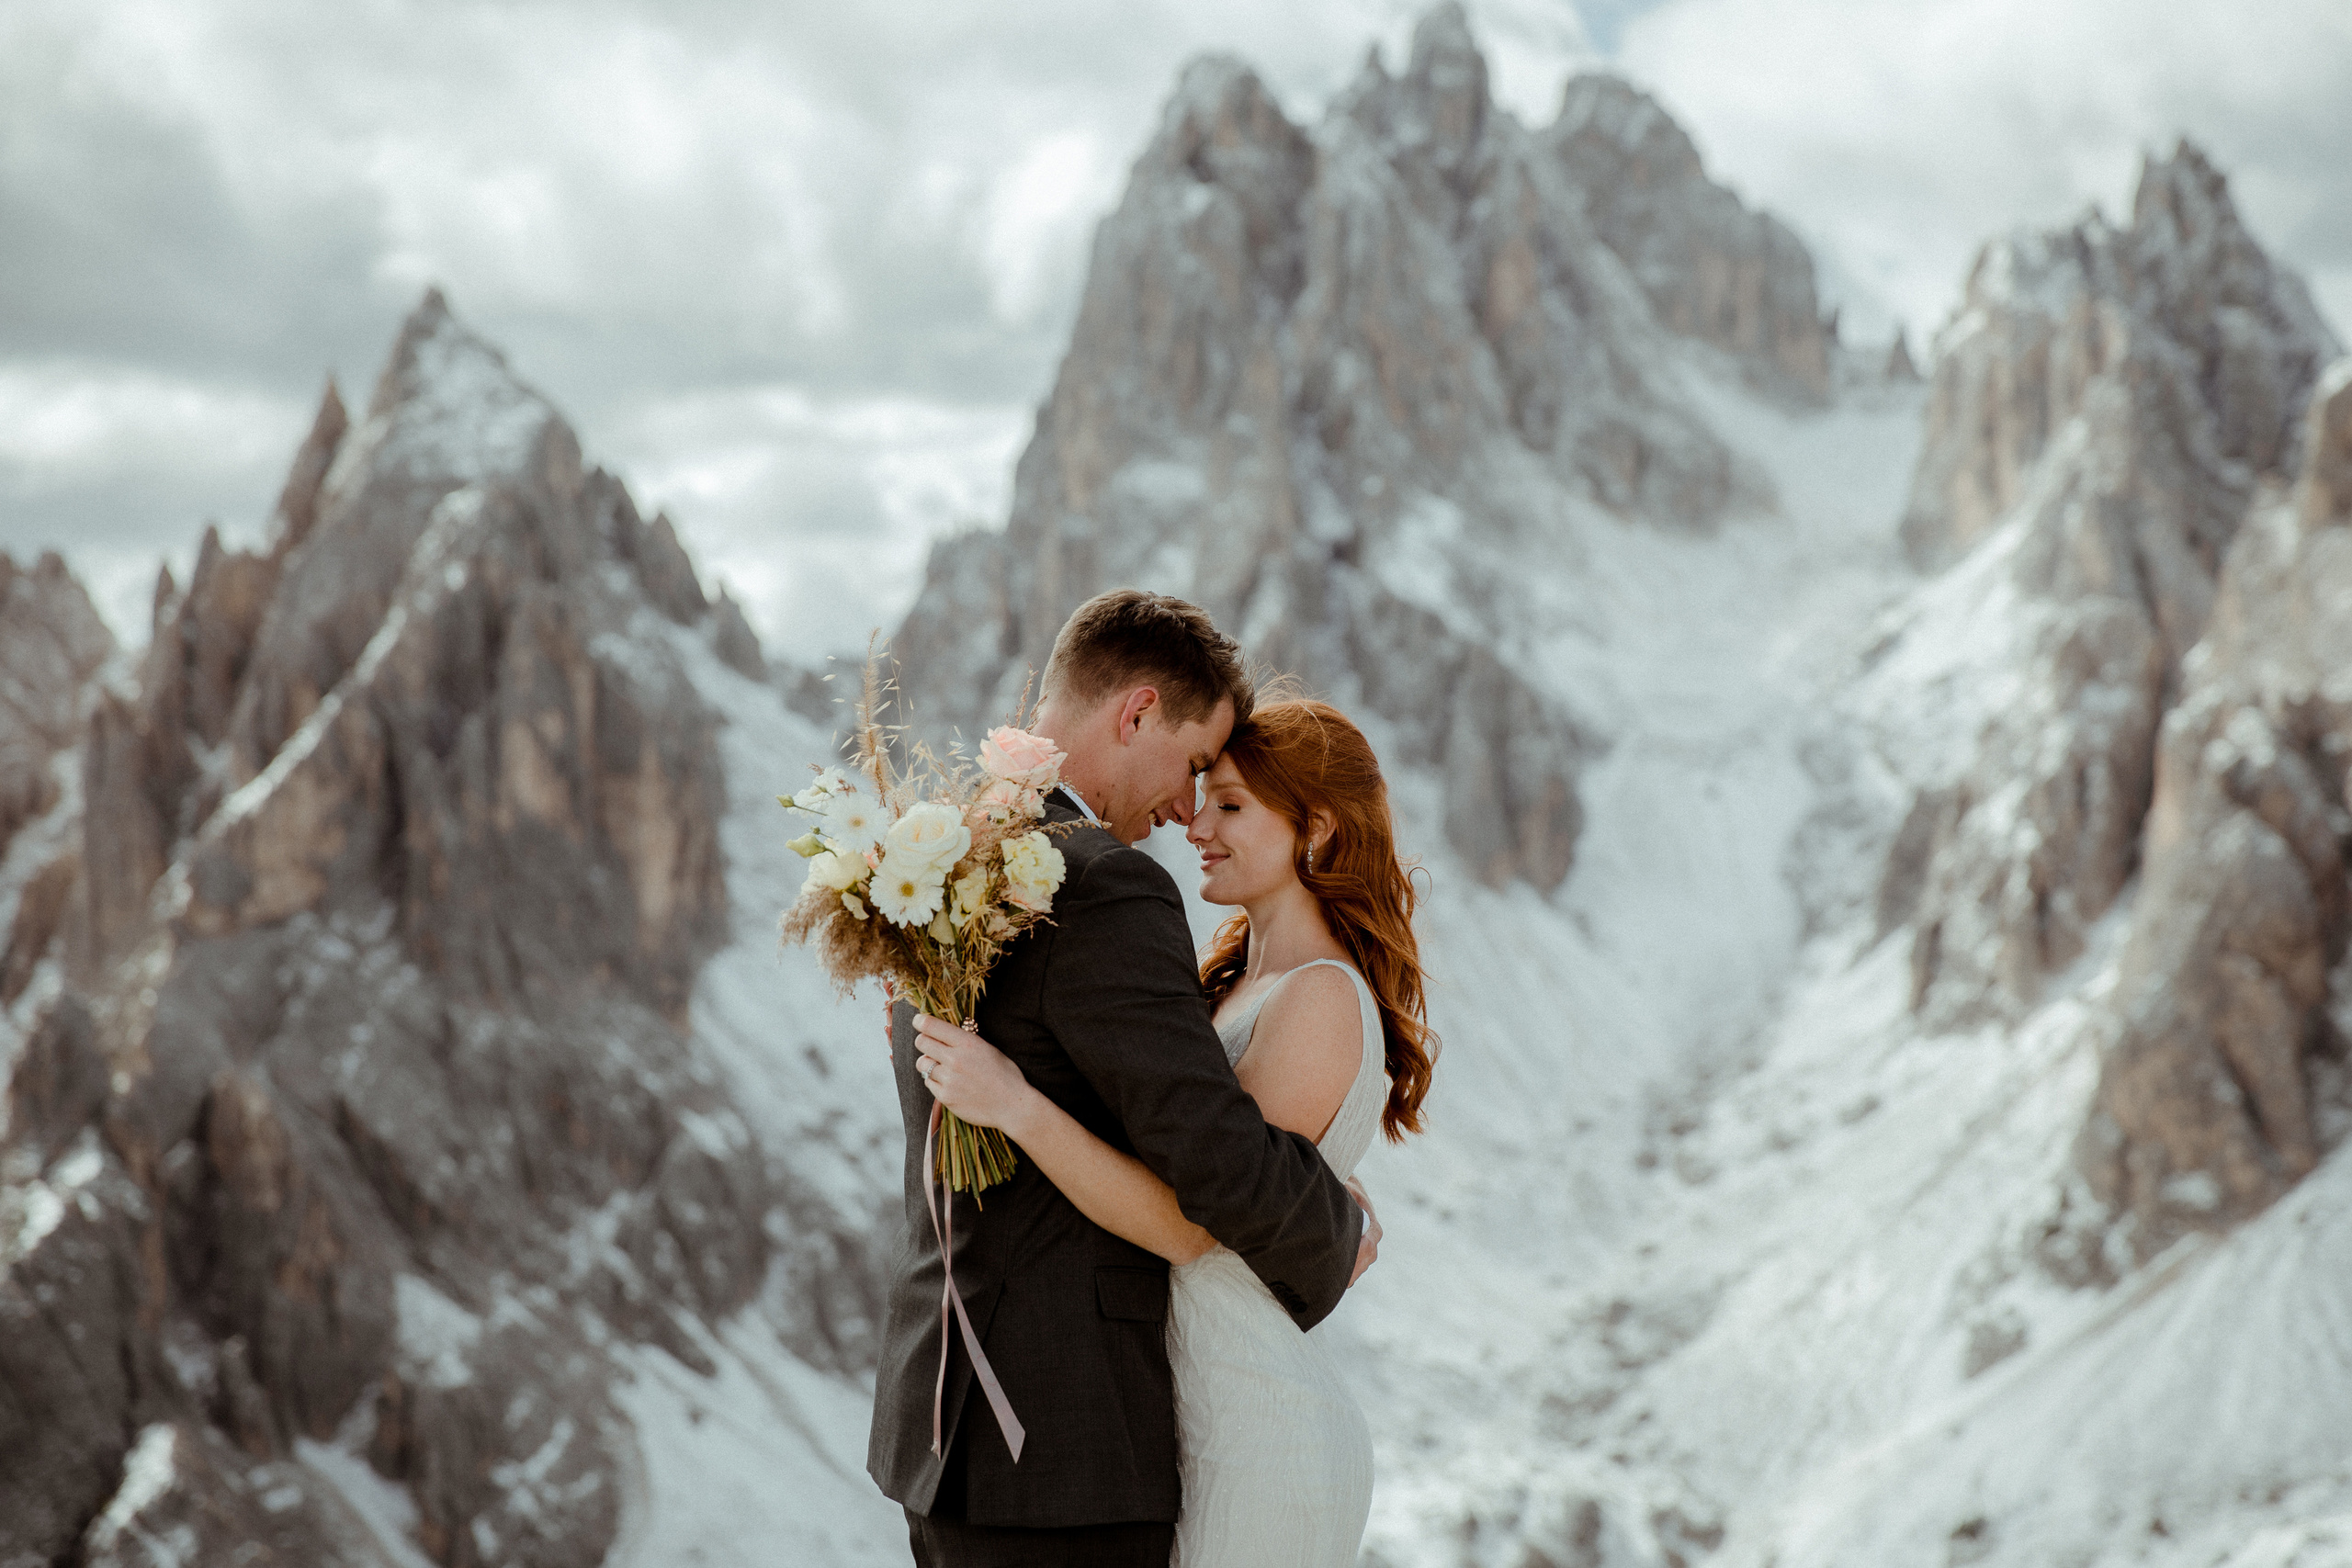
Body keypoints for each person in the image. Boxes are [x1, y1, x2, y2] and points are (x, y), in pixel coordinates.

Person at [868, 591, 1381, 1567]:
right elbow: (1211, 1156)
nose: (1187, 813)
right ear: (1136, 711)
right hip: (1063, 1445)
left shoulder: (947, 856)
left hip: (942, 1423)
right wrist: (1336, 1225)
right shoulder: (1103, 883)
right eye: (1194, 769)